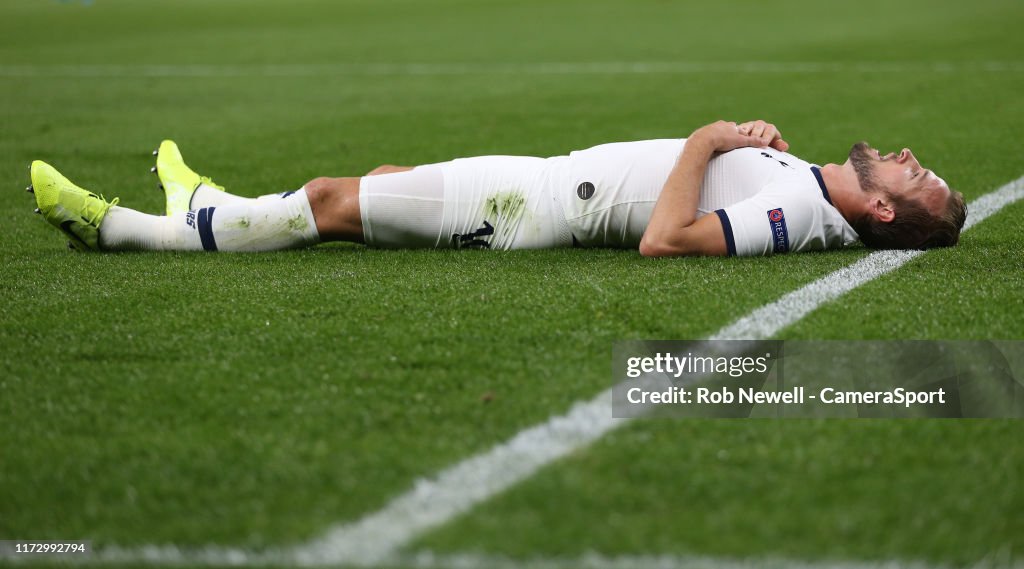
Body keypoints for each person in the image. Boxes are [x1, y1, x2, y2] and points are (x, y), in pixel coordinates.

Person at [26, 119, 966, 257]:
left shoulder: (799, 208)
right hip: (545, 188)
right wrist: (747, 147)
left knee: (328, 199)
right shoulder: (803, 183)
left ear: (880, 208)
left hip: (544, 207)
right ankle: (204, 204)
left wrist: (710, 136)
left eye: (915, 180)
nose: (908, 159)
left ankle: (124, 231)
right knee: (382, 183)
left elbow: (667, 240)